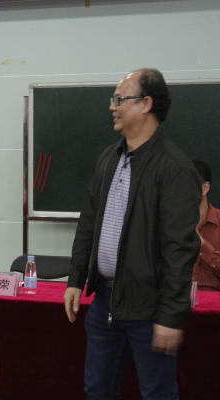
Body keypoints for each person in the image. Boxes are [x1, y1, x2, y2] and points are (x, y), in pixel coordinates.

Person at [63, 68, 201, 399]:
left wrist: (171, 316)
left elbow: (180, 250)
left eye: (119, 99)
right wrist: (75, 279)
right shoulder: (108, 158)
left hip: (149, 308)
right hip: (104, 302)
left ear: (146, 104)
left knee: (157, 393)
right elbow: (88, 223)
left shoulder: (175, 169)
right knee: (97, 390)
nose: (112, 106)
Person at [192, 159, 220, 291]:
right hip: (176, 298)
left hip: (213, 297)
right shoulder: (169, 222)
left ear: (205, 188)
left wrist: (202, 244)